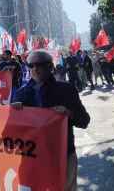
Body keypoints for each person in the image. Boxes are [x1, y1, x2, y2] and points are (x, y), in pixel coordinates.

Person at [11, 50, 90, 191]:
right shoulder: (21, 94)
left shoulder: (66, 90)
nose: (35, 69)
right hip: (31, 158)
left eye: (40, 65)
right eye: (31, 65)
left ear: (50, 67)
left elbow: (84, 121)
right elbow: (8, 136)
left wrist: (68, 113)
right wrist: (13, 115)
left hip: (62, 156)